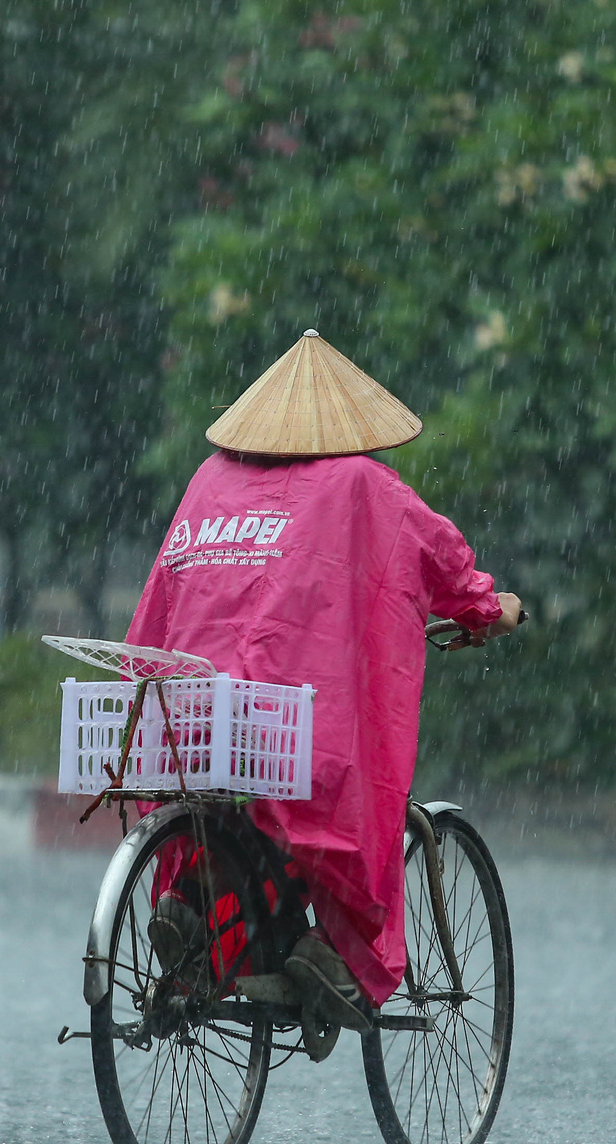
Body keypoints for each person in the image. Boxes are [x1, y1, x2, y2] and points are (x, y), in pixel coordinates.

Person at [125, 330, 522, 1059]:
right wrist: (493, 610)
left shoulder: (210, 479)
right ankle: (332, 950)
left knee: (242, 792)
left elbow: (162, 596)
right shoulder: (362, 486)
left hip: (192, 711)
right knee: (334, 791)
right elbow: (445, 567)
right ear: (349, 426)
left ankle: (200, 892)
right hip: (295, 720)